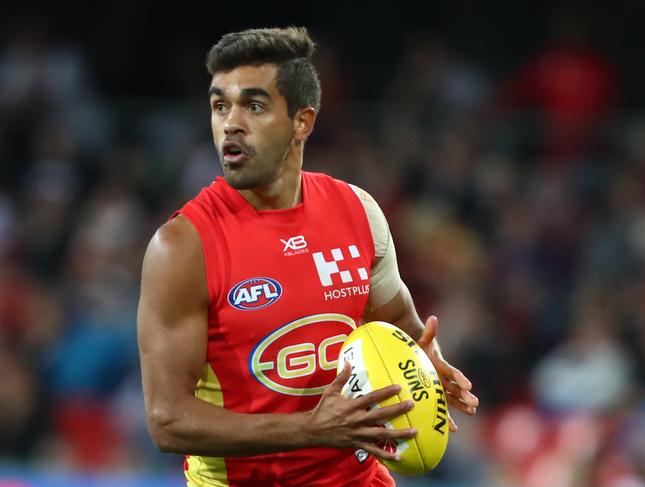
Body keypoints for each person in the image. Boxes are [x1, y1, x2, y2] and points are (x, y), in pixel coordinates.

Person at [137, 26, 479, 487]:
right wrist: (312, 430)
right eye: (221, 106)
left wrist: (424, 363)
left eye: (253, 106)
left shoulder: (357, 212)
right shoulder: (182, 246)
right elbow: (167, 420)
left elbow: (397, 318)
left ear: (303, 121)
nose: (231, 124)